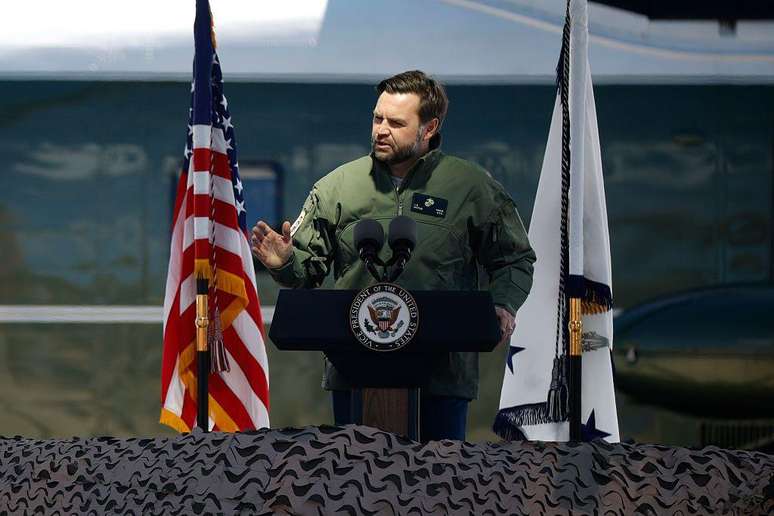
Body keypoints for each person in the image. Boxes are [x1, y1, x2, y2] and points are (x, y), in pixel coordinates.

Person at [251, 70, 535, 441]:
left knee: (441, 489)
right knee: (356, 487)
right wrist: (286, 263)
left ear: (429, 128)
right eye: (377, 118)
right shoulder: (338, 187)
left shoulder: (471, 187)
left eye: (396, 122)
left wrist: (504, 304)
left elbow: (515, 258)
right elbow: (309, 271)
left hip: (442, 375)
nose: (381, 129)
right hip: (354, 371)